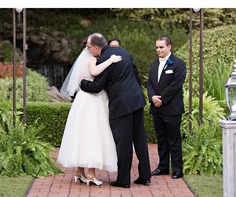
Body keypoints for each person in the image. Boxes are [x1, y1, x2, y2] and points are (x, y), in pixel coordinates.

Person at [80, 33, 151, 188]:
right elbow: (135, 74)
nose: (89, 50)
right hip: (137, 99)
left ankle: (123, 180)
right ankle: (145, 176)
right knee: (139, 139)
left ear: (97, 47)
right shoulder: (123, 52)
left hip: (121, 103)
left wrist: (82, 83)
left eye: (90, 47)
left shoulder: (104, 60)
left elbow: (97, 87)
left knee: (123, 142)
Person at [57, 40, 122, 186]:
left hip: (83, 100)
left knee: (83, 133)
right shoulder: (92, 60)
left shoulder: (84, 60)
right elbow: (94, 72)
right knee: (93, 133)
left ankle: (79, 171)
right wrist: (110, 61)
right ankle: (90, 174)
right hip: (92, 100)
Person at [148, 36, 187, 180]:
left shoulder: (179, 64)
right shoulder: (153, 65)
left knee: (174, 140)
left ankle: (177, 169)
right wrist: (152, 97)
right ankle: (163, 167)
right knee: (161, 139)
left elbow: (176, 84)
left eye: (161, 47)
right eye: (157, 47)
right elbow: (150, 84)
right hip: (156, 108)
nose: (158, 50)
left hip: (172, 109)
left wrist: (162, 99)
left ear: (169, 46)